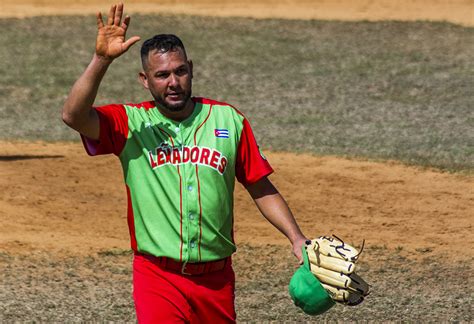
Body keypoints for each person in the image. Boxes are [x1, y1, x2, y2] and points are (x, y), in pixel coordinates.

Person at [62, 3, 308, 322]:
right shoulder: (131, 123)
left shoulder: (228, 120)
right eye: (162, 75)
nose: (173, 82)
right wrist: (101, 60)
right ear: (145, 80)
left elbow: (260, 185)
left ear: (190, 69)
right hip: (157, 277)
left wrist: (296, 237)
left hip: (216, 280)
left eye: (180, 71)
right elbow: (73, 115)